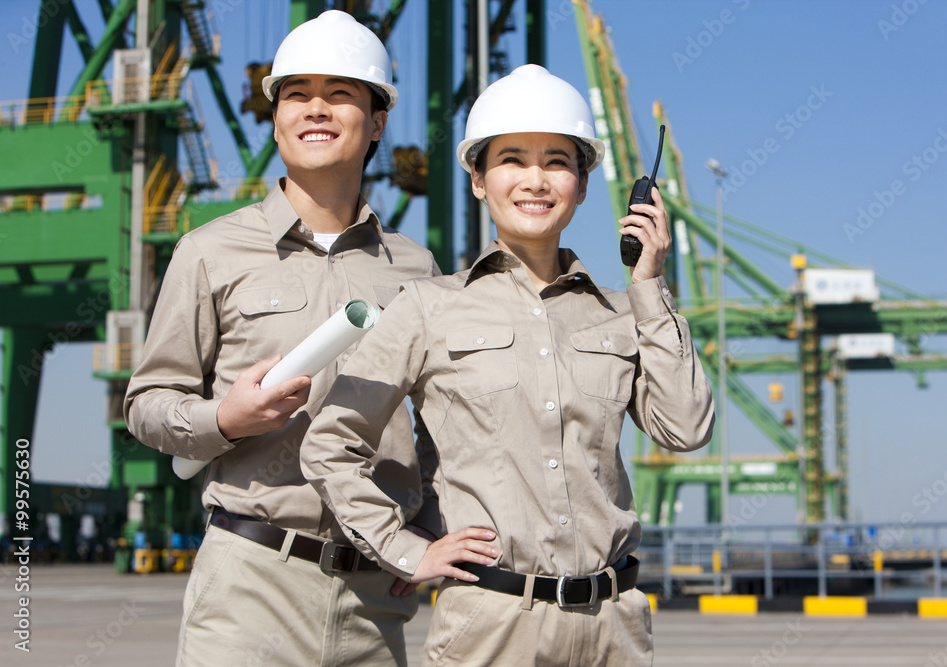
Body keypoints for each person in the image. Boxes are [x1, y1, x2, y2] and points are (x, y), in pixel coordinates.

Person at [301, 64, 715, 665]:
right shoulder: (427, 307)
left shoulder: (622, 316)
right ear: (478, 179)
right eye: (512, 160)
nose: (535, 180)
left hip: (615, 629)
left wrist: (648, 285)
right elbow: (330, 442)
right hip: (492, 630)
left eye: (556, 161)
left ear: (582, 182)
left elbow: (686, 427)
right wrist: (407, 550)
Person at [124, 11, 441, 666]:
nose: (316, 108)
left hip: (376, 598)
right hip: (249, 585)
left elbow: (448, 424)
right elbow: (147, 403)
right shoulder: (209, 252)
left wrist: (431, 530)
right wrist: (224, 417)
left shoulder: (417, 268)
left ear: (377, 121)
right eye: (296, 94)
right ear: (275, 117)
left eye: (341, 93)